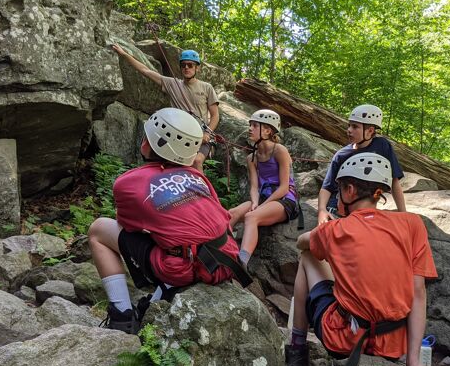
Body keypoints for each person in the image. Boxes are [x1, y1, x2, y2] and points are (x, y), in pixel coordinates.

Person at [284, 152, 447, 366]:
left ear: (350, 191)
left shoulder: (335, 229)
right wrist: (413, 362)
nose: (338, 197)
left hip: (343, 339)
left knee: (308, 257)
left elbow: (301, 241)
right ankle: (411, 359)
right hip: (391, 346)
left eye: (340, 190)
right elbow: (418, 291)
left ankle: (297, 352)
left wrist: (323, 236)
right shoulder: (412, 224)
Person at [87, 107, 246, 333]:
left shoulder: (128, 183)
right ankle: (161, 294)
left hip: (182, 268)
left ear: (148, 144)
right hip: (226, 260)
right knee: (174, 235)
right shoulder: (197, 175)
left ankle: (122, 317)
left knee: (99, 230)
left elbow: (128, 228)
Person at [112, 45, 219, 172]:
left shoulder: (206, 88)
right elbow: (145, 71)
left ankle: (201, 191)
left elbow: (215, 115)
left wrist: (207, 133)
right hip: (180, 135)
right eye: (183, 65)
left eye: (190, 65)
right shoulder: (172, 84)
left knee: (196, 162)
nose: (186, 68)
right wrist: (124, 54)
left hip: (200, 136)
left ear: (197, 68)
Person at [228, 109, 299, 267]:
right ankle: (222, 248)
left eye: (254, 125)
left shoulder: (280, 151)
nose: (250, 129)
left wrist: (261, 207)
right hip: (263, 197)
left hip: (285, 199)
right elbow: (254, 186)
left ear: (267, 130)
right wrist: (254, 203)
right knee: (230, 214)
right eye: (250, 125)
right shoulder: (251, 157)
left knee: (251, 217)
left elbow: (284, 187)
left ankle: (242, 262)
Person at [317, 104, 406, 225]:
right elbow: (327, 187)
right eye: (349, 125)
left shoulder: (382, 146)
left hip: (363, 204)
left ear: (370, 131)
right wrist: (322, 210)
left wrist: (403, 214)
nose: (349, 130)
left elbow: (394, 180)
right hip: (341, 204)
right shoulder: (341, 155)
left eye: (355, 127)